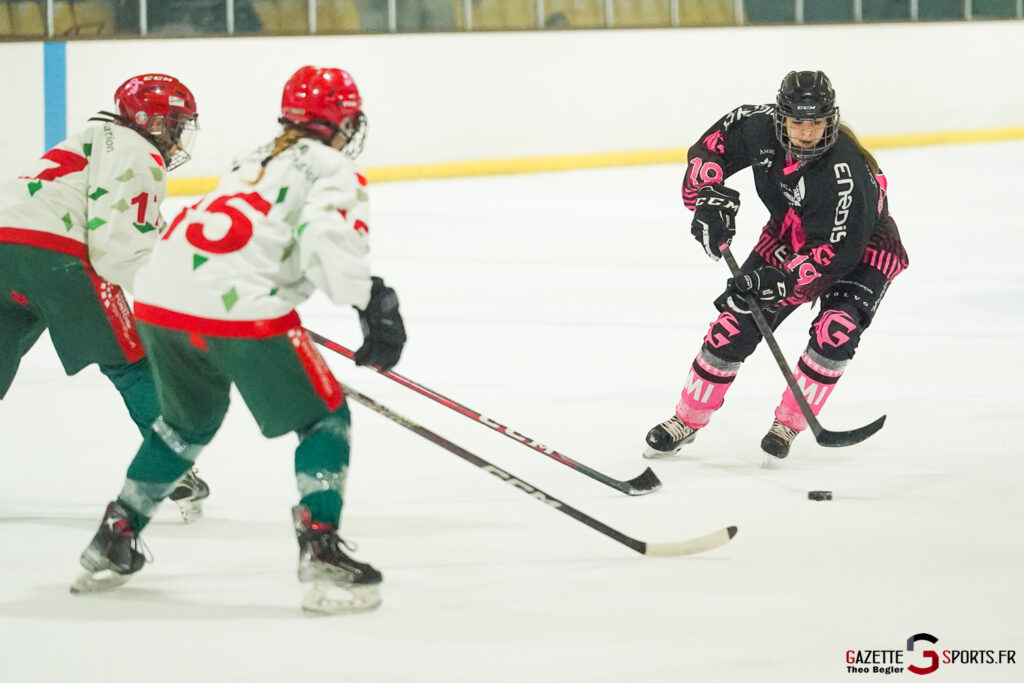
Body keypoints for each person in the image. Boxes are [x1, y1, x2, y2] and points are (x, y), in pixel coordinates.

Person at [71, 65, 407, 615]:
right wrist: (371, 301)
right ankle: (320, 545)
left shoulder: (254, 158)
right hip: (239, 309)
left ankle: (115, 536)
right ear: (344, 122)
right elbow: (325, 238)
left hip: (160, 299)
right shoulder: (333, 169)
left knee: (184, 425)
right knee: (325, 417)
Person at [642, 70, 908, 464]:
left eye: (816, 121)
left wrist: (778, 281)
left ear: (830, 119)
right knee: (734, 323)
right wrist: (708, 196)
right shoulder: (756, 125)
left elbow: (837, 254)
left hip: (862, 249)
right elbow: (708, 149)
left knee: (837, 329)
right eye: (798, 121)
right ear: (781, 116)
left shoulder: (844, 171)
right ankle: (687, 419)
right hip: (789, 236)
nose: (806, 132)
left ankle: (789, 423)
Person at [0, 73, 210, 519]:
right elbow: (117, 253)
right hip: (54, 257)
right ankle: (173, 468)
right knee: (131, 362)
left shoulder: (94, 138)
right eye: (173, 123)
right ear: (149, 121)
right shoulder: (139, 154)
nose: (176, 135)